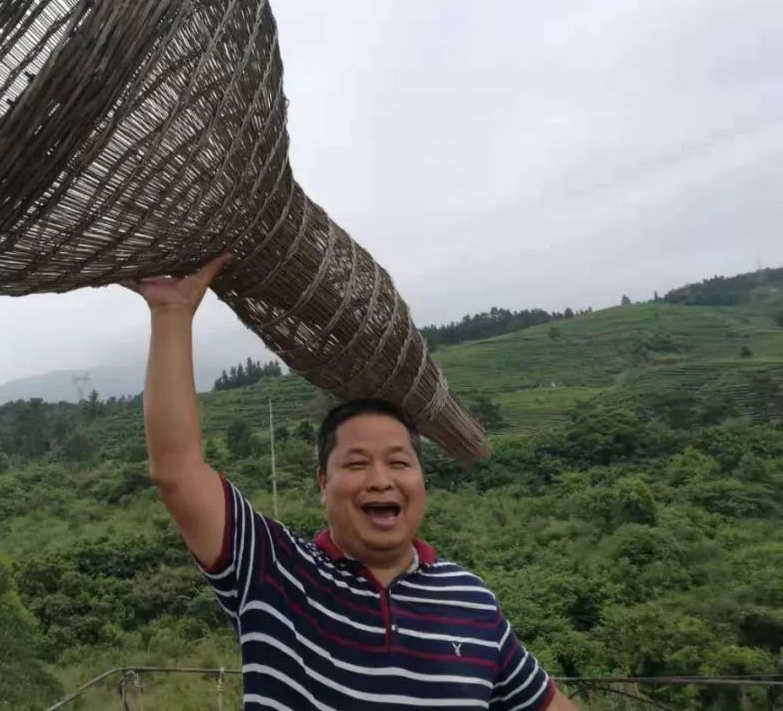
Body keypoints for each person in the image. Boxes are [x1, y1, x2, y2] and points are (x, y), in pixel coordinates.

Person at [128, 255, 577, 710]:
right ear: (324, 482)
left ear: (422, 479)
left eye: (399, 462)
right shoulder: (273, 570)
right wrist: (172, 313)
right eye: (357, 463)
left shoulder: (471, 599)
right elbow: (177, 473)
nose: (381, 480)